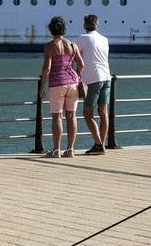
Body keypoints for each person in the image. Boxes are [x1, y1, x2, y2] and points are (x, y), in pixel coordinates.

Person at [39, 15, 83, 159]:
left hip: (57, 83)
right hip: (73, 84)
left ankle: (56, 150)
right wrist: (75, 76)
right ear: (64, 29)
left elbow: (47, 68)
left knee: (57, 117)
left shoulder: (50, 46)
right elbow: (81, 65)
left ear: (51, 30)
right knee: (71, 116)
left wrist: (42, 86)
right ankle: (70, 149)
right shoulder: (72, 45)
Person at [76, 14, 111, 155]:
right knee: (103, 112)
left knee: (87, 112)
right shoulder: (104, 39)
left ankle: (98, 145)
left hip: (93, 79)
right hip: (107, 77)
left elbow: (75, 56)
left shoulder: (82, 38)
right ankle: (101, 144)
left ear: (85, 25)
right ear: (98, 25)